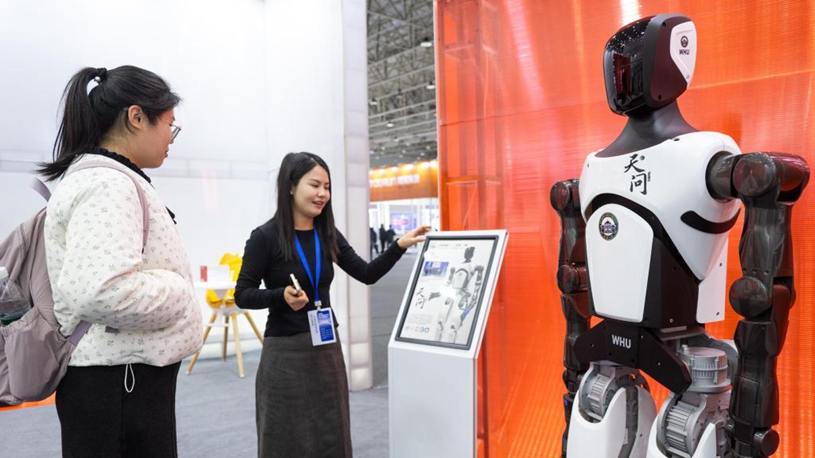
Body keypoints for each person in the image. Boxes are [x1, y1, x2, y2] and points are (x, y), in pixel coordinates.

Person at [39, 66, 203, 458]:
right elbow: (101, 290)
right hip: (120, 382)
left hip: (119, 376)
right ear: (136, 117)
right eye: (169, 125)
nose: (171, 138)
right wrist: (180, 291)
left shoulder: (105, 179)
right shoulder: (108, 185)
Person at [234, 152, 430, 458]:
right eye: (315, 185)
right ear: (290, 186)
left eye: (327, 187)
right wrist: (280, 295)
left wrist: (399, 245)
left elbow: (366, 273)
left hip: (326, 348)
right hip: (285, 352)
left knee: (330, 432)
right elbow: (243, 294)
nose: (322, 194)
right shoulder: (265, 237)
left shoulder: (327, 234)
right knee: (285, 434)